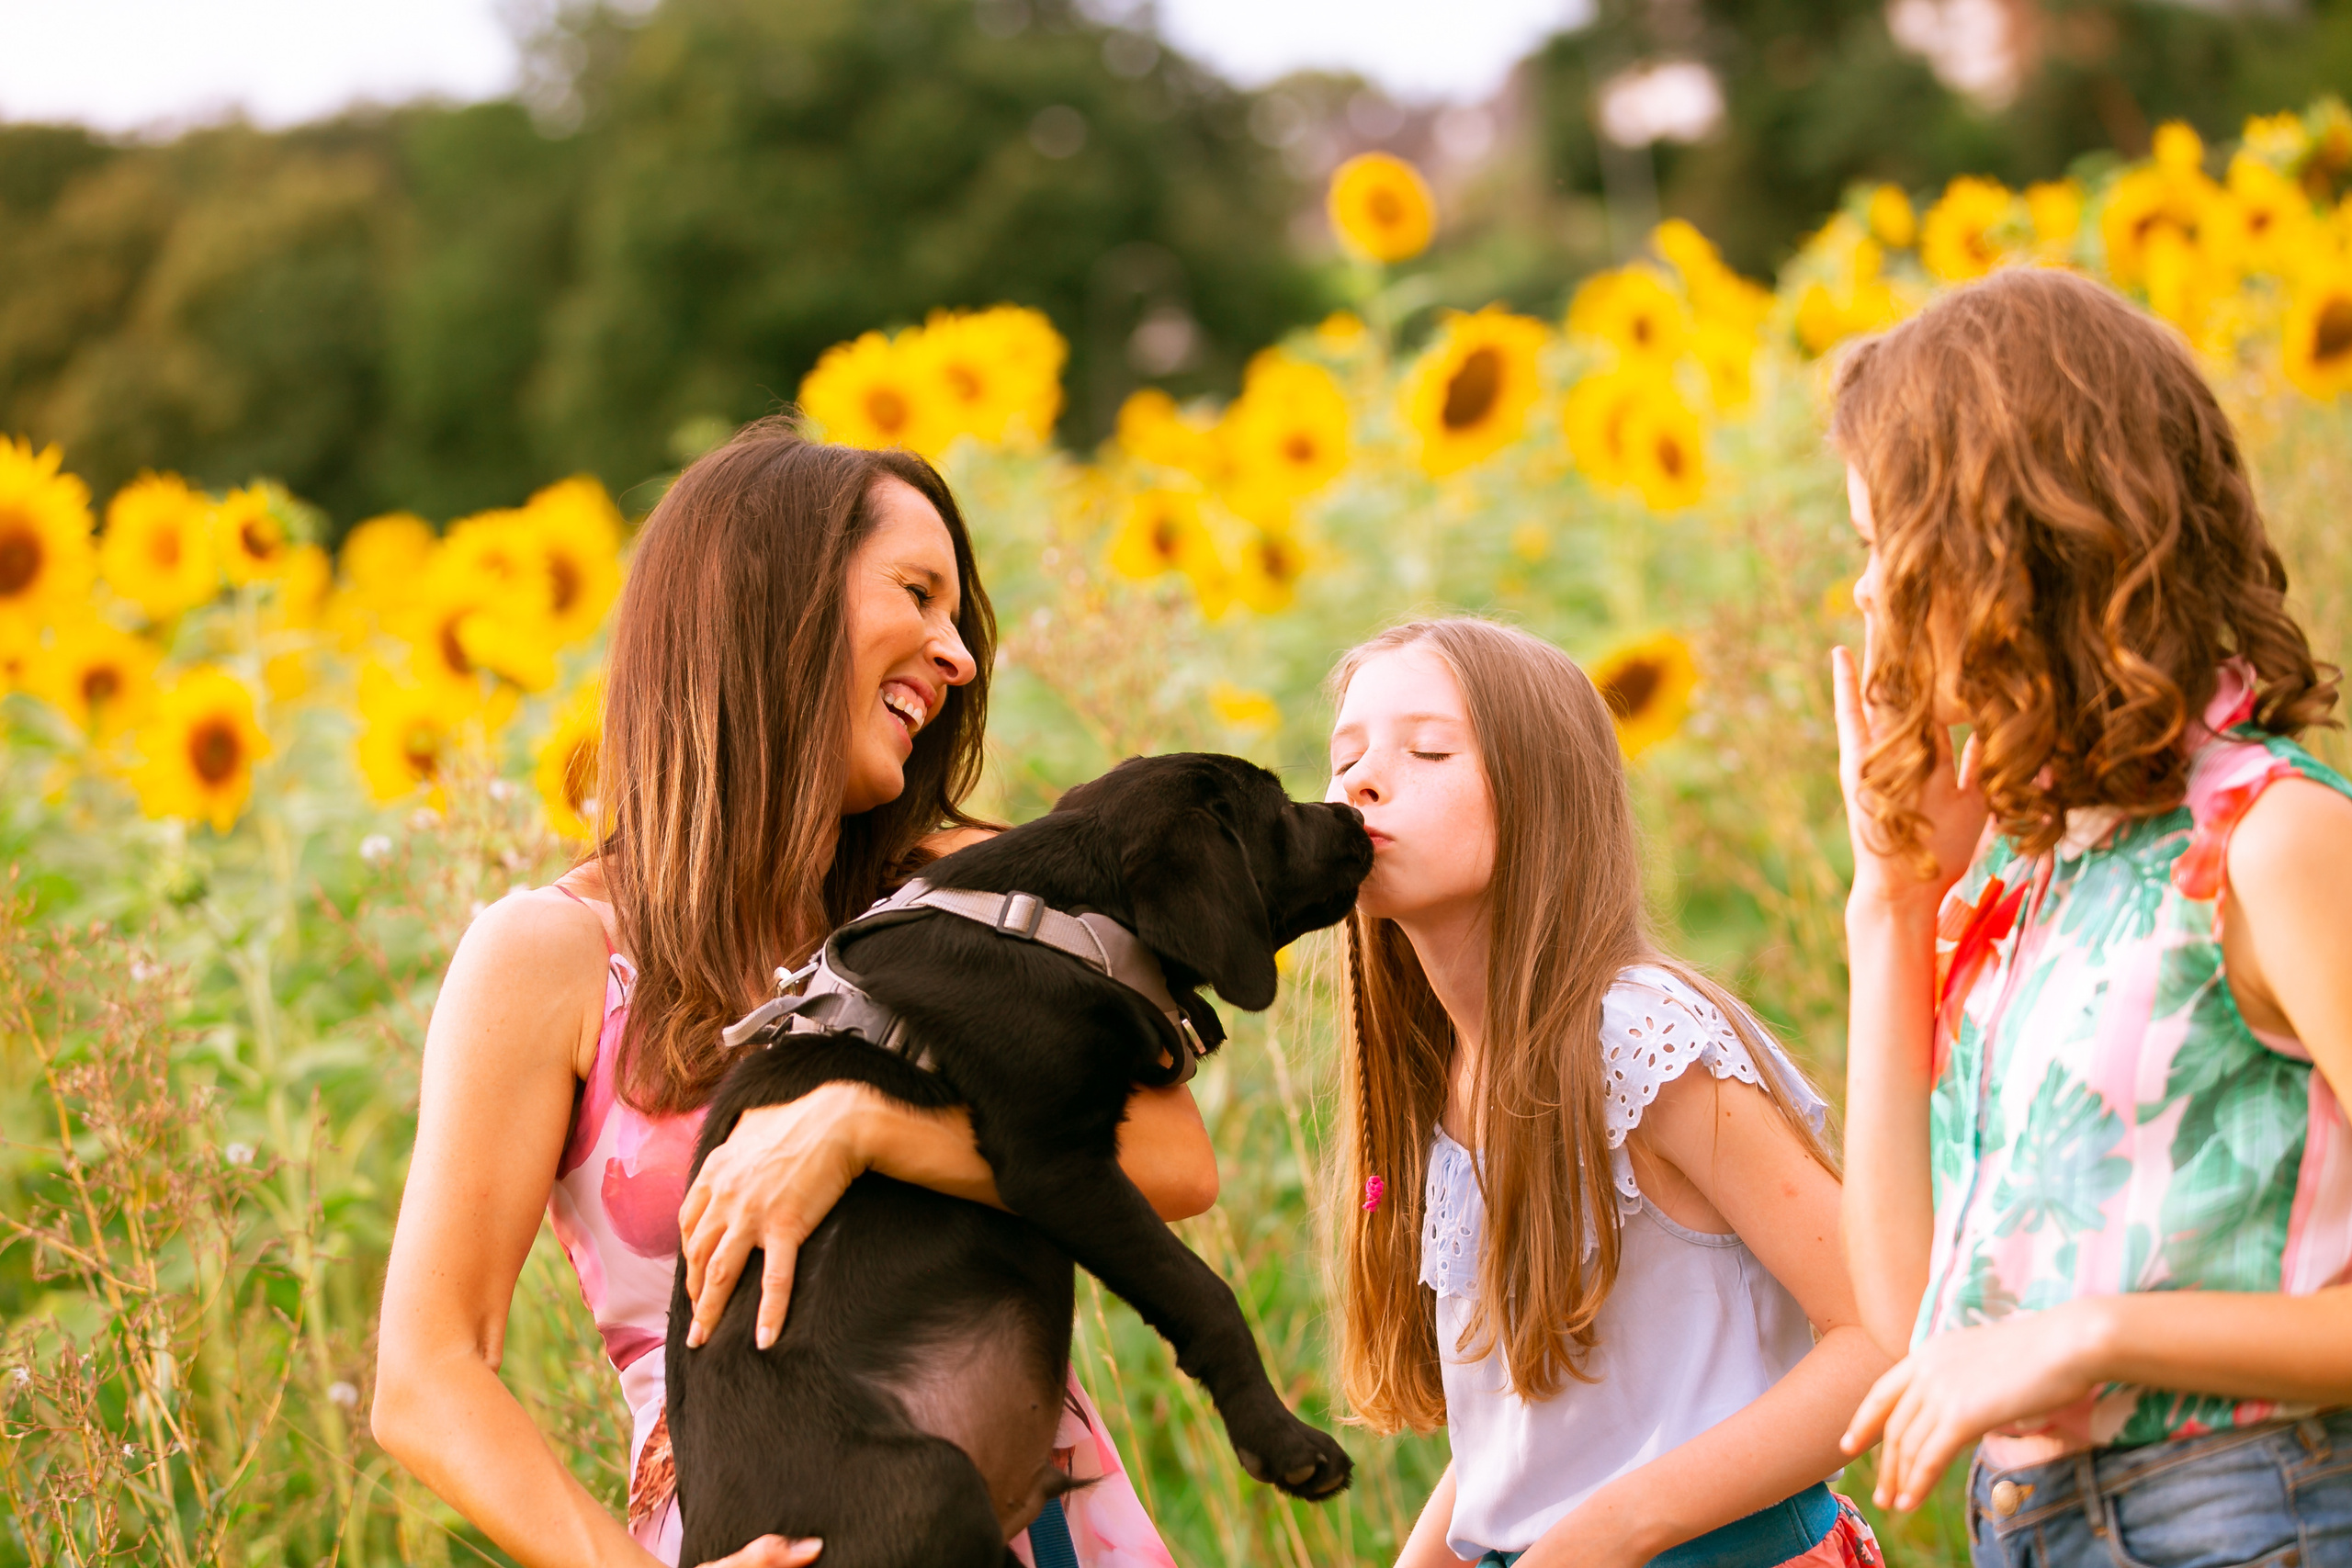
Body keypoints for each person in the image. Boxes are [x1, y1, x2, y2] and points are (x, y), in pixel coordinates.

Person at [373, 423, 1211, 1568]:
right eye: (916, 594)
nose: (955, 655)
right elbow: (427, 1375)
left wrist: (868, 1129)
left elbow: (1174, 1161)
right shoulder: (548, 959)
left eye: (957, 620)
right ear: (776, 601)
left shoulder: (959, 896)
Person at [1832, 267, 2352, 1565]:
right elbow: (1911, 1323)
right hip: (2038, 1529)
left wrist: (2097, 1328)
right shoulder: (2030, 882)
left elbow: (2044, 1335)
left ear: (2008, 538)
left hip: (2248, 1508)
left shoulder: (2273, 841)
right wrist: (1891, 909)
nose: (1863, 596)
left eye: (1875, 542)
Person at [1326, 616, 1889, 1568]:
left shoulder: (1634, 1036)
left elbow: (1876, 1332)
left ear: (1541, 798)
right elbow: (1535, 1431)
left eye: (1426, 749)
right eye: (1344, 759)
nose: (1362, 781)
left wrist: (1609, 1534)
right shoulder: (1437, 1075)